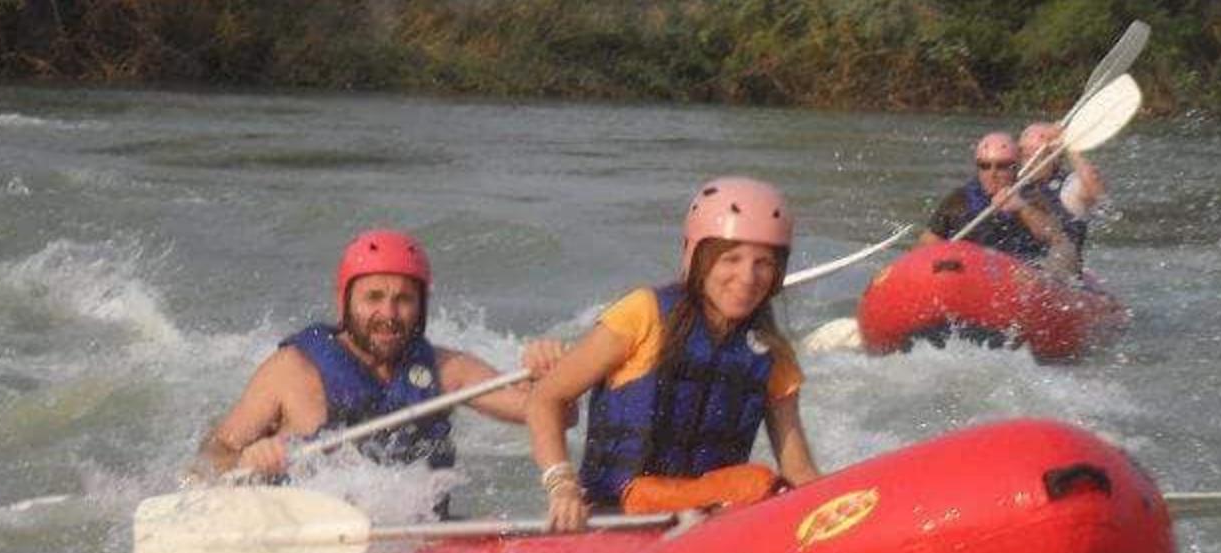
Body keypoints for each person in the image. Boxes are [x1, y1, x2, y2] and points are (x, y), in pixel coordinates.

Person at [525, 177, 819, 533]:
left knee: (763, 486)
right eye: (731, 259)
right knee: (755, 482)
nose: (747, 277)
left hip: (709, 523)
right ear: (698, 258)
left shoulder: (772, 354)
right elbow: (545, 399)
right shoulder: (643, 314)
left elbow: (799, 472)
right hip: (616, 515)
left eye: (764, 263)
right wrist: (562, 486)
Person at [197, 229, 560, 478]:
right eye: (373, 298)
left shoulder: (448, 370)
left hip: (415, 534)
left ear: (421, 307)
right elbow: (210, 459)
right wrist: (246, 460)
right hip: (306, 532)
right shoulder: (291, 371)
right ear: (344, 302)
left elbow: (546, 411)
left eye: (403, 299)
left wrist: (550, 373)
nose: (388, 314)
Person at [917, 132, 1079, 277]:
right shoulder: (959, 199)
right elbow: (926, 245)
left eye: (1002, 166)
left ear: (1015, 167)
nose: (992, 173)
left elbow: (1055, 237)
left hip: (1021, 272)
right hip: (973, 272)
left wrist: (1022, 208)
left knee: (1065, 252)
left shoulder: (1032, 196)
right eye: (985, 166)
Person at [1018, 120, 1103, 255]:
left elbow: (1095, 192)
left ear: (1055, 157)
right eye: (1025, 156)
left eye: (1038, 156)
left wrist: (1068, 144)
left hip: (1058, 261)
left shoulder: (1068, 187)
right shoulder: (1014, 183)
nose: (1030, 163)